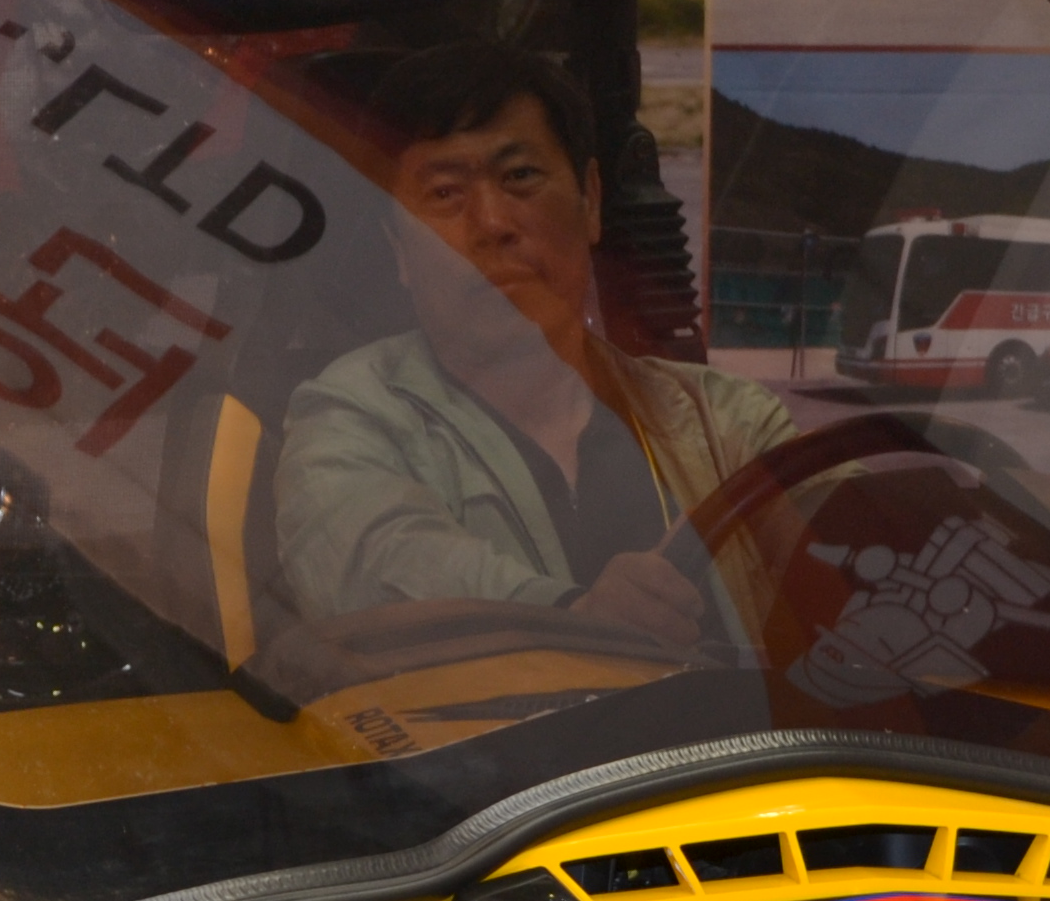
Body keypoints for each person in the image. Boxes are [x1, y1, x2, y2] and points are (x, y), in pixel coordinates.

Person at [275, 43, 791, 646]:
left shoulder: (725, 421)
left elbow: (852, 545)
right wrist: (571, 615)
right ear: (399, 252)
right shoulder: (352, 416)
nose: (492, 223)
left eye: (520, 176)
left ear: (591, 201)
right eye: (444, 193)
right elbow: (374, 563)